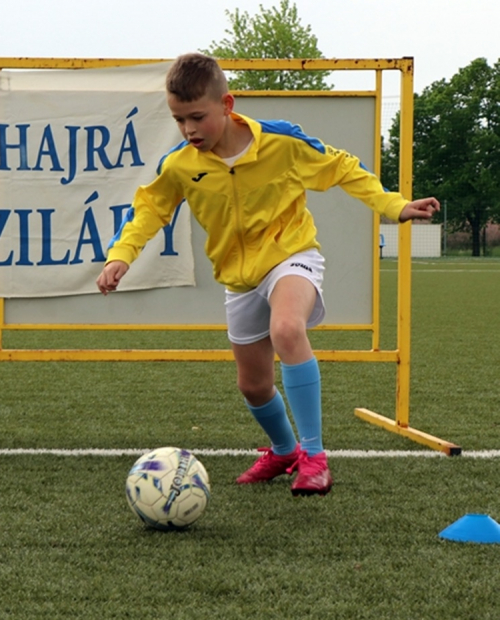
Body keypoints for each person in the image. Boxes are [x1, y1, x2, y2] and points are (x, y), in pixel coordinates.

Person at [97, 53, 439, 496]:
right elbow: (149, 210)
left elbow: (342, 168)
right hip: (240, 279)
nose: (189, 130)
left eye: (197, 117)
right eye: (180, 120)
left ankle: (314, 458)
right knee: (254, 385)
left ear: (227, 104)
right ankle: (283, 451)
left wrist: (394, 206)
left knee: (287, 328)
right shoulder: (181, 164)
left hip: (291, 256)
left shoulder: (280, 143)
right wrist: (120, 256)